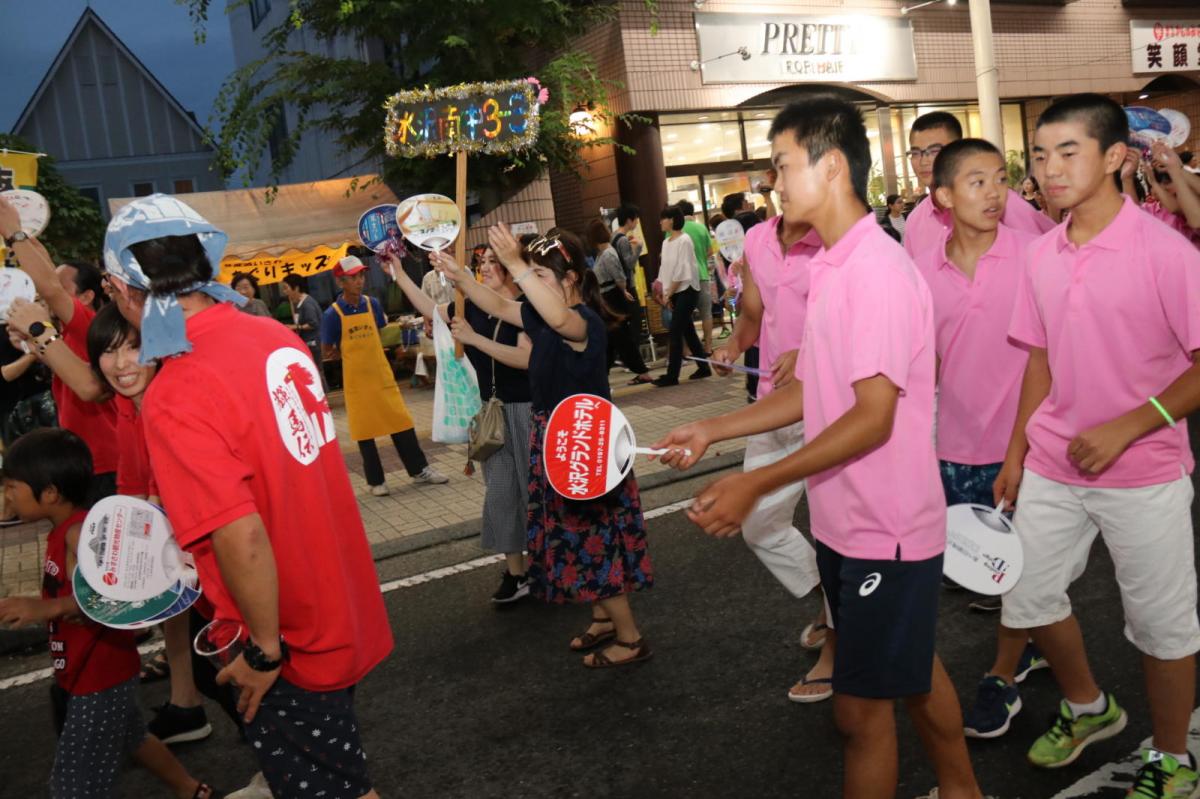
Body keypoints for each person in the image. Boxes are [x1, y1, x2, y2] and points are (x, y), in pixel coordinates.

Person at [654, 96, 983, 799]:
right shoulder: (835, 263)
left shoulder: (875, 271)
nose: (773, 183)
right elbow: (815, 389)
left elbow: (871, 419)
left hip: (886, 531)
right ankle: (962, 789)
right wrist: (715, 428)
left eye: (782, 165)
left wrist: (756, 482)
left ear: (831, 167)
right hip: (846, 524)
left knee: (860, 715)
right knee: (915, 671)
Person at [101, 193, 393, 798]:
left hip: (286, 632)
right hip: (337, 595)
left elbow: (239, 531)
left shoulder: (178, 386)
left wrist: (263, 651)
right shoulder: (271, 335)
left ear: (121, 289)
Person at [995, 93, 1200, 796]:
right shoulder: (1041, 254)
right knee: (1026, 595)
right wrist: (1017, 454)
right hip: (1054, 462)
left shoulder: (1166, 252)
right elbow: (1039, 359)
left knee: (1161, 626)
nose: (1049, 169)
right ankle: (1088, 706)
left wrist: (1130, 424)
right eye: (1040, 154)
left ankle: (1172, 759)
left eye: (1068, 152)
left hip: (1144, 470)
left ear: (1114, 156)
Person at [431, 227, 654, 667]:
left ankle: (630, 639)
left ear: (570, 279)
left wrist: (516, 265)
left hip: (584, 446)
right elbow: (498, 305)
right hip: (558, 438)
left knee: (591, 537)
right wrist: (460, 277)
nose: (531, 283)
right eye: (530, 274)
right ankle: (603, 617)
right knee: (577, 535)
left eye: (541, 275)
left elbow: (558, 320)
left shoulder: (582, 321)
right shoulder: (542, 316)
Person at [912, 138, 1051, 740]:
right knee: (996, 571)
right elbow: (927, 364)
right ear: (943, 197)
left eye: (1000, 179)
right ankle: (1038, 642)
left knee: (1022, 571)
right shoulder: (922, 271)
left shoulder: (1036, 255)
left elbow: (1049, 358)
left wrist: (1021, 449)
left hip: (1030, 443)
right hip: (956, 446)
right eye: (977, 182)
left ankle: (1003, 675)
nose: (995, 193)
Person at [0, 428, 221, 799]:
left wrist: (47, 608)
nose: (7, 496)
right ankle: (190, 789)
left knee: (73, 786)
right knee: (133, 736)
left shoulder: (78, 534)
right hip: (93, 669)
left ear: (50, 493)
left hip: (98, 675)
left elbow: (112, 598)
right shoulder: (65, 530)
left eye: (11, 487)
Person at [709, 178, 832, 703]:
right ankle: (835, 603)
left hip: (831, 406)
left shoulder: (838, 239)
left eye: (790, 168)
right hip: (772, 405)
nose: (781, 184)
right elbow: (754, 316)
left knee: (836, 531)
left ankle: (840, 648)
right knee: (759, 522)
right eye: (776, 171)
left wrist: (809, 353)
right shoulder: (759, 239)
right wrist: (733, 346)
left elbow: (852, 322)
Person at [386, 244, 535, 604]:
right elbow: (429, 309)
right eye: (481, 262)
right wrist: (399, 273)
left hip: (528, 410)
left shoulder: (526, 308)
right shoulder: (470, 307)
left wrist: (473, 338)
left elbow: (526, 359)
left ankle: (549, 562)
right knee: (500, 492)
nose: (485, 267)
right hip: (489, 413)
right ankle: (517, 573)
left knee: (536, 492)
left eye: (493, 262)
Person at [0, 196, 119, 503]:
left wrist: (13, 232)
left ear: (87, 296)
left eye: (63, 287)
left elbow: (50, 288)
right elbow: (49, 283)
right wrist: (25, 232)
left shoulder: (90, 324)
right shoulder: (68, 331)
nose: (47, 291)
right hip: (86, 461)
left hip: (106, 463)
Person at [321, 254, 447, 495]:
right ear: (340, 282)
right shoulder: (332, 314)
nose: (359, 281)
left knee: (401, 421)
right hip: (356, 382)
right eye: (353, 277)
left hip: (381, 376)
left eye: (361, 275)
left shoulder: (373, 304)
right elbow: (327, 348)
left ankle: (419, 470)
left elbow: (378, 333)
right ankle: (375, 481)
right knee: (364, 430)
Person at [903, 111, 1055, 259]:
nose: (923, 161)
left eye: (934, 151)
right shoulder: (915, 221)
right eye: (915, 153)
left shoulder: (1000, 202)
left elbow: (1048, 256)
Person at [588, 219, 652, 384]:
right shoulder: (602, 253)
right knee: (612, 338)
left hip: (612, 299)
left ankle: (641, 371)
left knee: (619, 337)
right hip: (608, 298)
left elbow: (619, 277)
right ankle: (603, 374)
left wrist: (623, 290)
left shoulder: (607, 254)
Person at [653, 205, 711, 387]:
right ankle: (704, 368)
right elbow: (665, 269)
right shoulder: (666, 242)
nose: (660, 222)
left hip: (688, 289)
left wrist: (668, 293)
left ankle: (672, 375)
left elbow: (682, 270)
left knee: (676, 331)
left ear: (671, 220)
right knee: (688, 331)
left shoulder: (685, 240)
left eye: (663, 218)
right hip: (675, 291)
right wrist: (665, 292)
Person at [676, 199, 716, 353]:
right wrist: (700, 259)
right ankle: (708, 347)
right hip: (702, 274)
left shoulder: (675, 229)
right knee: (706, 313)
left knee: (684, 315)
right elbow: (710, 250)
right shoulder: (701, 227)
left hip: (683, 279)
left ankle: (687, 350)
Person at [280, 273, 324, 382]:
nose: (284, 292)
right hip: (309, 342)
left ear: (296, 288)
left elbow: (313, 323)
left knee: (316, 372)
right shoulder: (299, 303)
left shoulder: (307, 303)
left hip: (313, 343)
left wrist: (295, 327)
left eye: (286, 288)